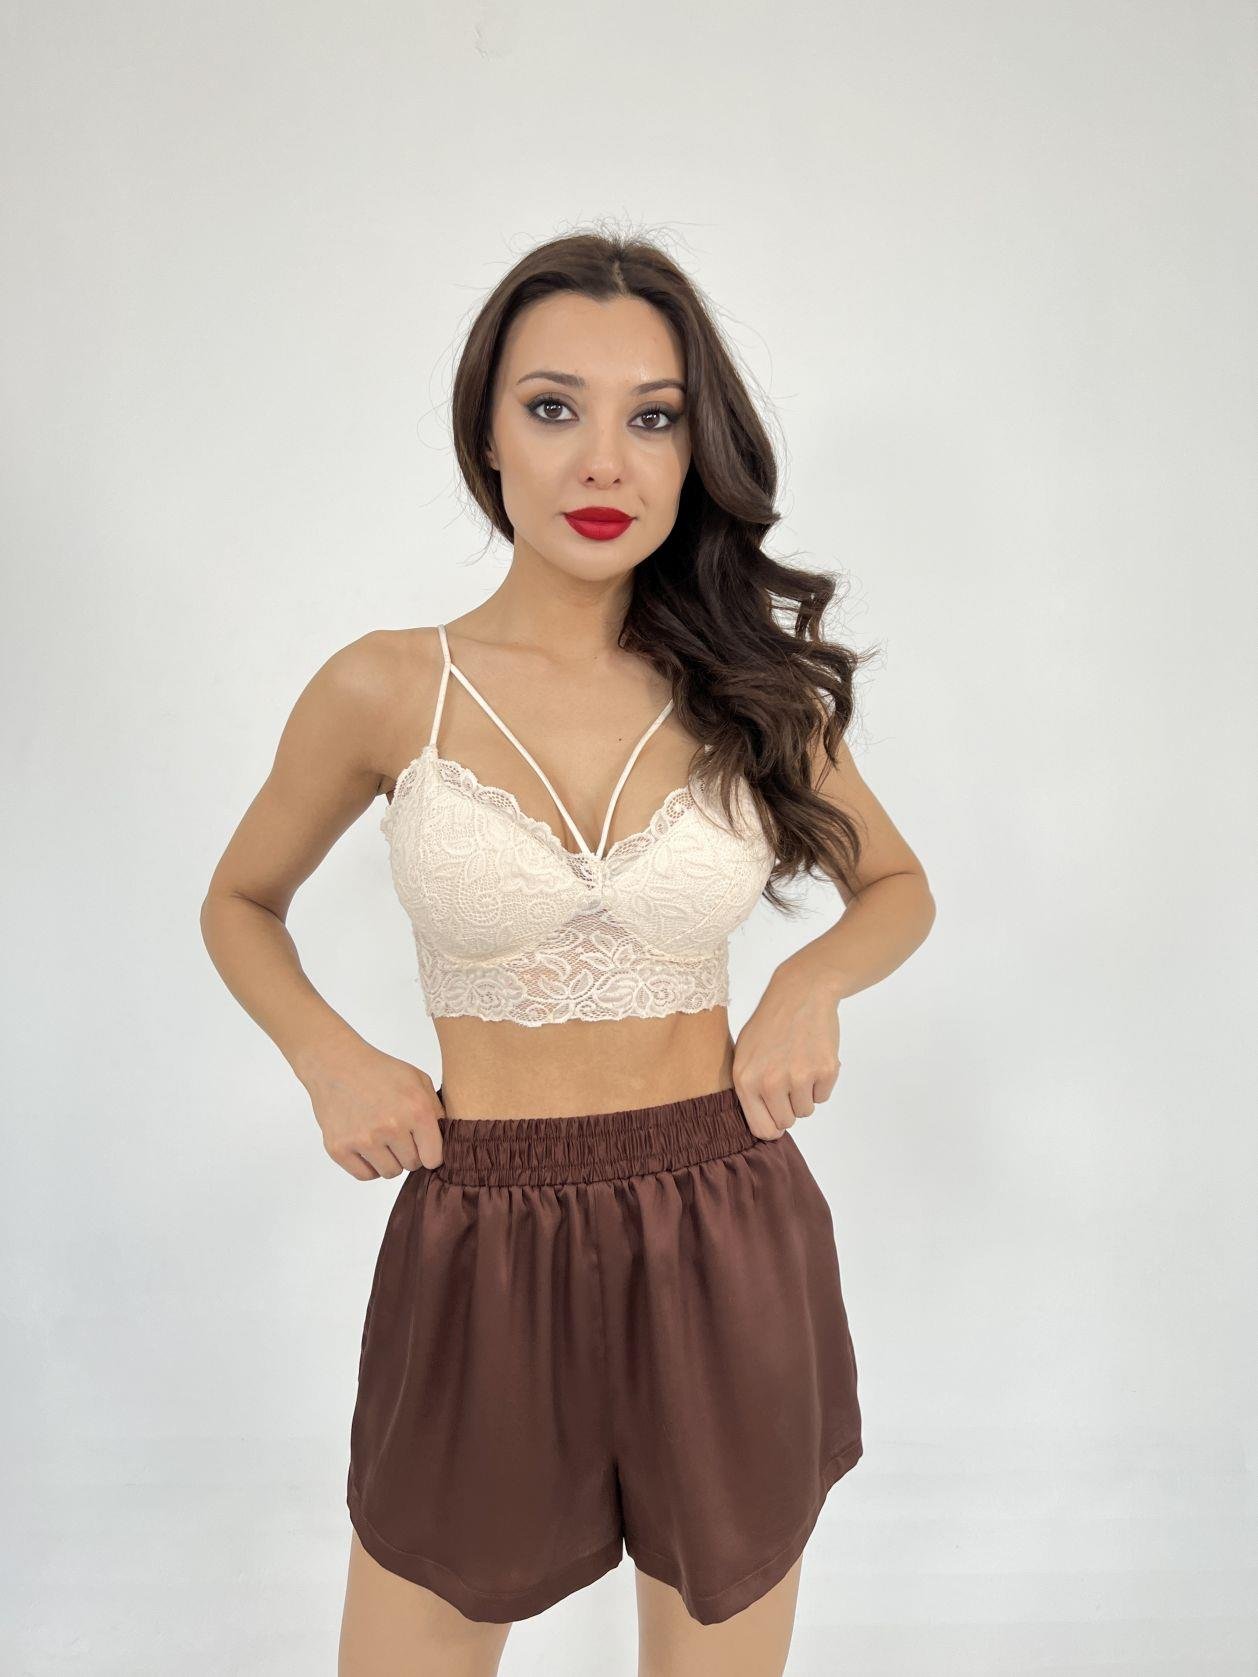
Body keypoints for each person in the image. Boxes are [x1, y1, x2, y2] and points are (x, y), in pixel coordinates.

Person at [199, 229, 936, 1677]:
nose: (605, 461)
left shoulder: (754, 691)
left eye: (652, 418)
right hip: (480, 1236)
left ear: (695, 450)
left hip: (725, 1225)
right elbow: (240, 900)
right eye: (554, 408)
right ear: (486, 433)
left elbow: (895, 885)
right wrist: (330, 1058)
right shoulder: (385, 685)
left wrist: (810, 982)